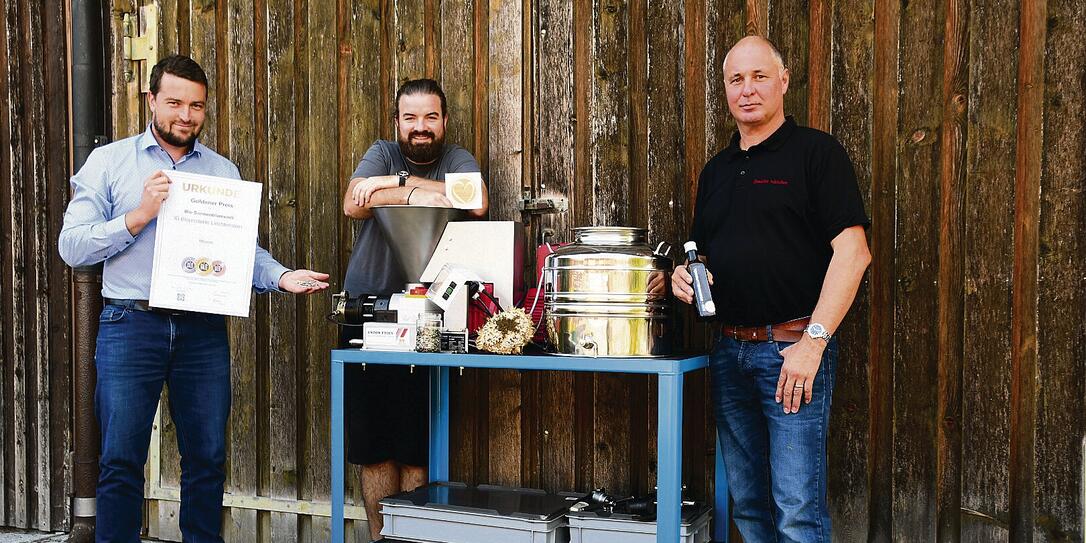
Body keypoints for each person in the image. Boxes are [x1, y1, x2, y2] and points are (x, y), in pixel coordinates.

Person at [58, 55, 329, 543]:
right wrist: (139, 215)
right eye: (175, 103)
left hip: (202, 330)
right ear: (151, 100)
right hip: (130, 324)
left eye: (197, 106)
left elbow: (240, 252)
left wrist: (281, 276)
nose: (186, 115)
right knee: (120, 459)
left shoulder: (222, 172)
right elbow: (72, 245)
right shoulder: (109, 163)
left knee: (206, 458)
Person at [672, 36, 871, 542]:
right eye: (736, 79)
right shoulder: (715, 172)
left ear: (783, 81)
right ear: (725, 89)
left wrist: (813, 344)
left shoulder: (816, 154)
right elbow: (708, 259)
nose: (748, 89)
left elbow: (854, 254)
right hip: (728, 354)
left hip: (792, 354)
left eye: (760, 76)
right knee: (751, 510)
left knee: (797, 513)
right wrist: (685, 280)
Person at [341, 78, 488, 542]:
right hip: (366, 311)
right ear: (397, 122)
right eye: (410, 118)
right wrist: (416, 192)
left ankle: (411, 539)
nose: (420, 127)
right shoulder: (381, 152)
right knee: (372, 449)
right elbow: (354, 201)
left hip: (430, 317)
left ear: (443, 121)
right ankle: (379, 537)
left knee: (414, 448)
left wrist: (397, 183)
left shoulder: (458, 159)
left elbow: (476, 202)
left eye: (429, 117)